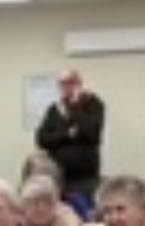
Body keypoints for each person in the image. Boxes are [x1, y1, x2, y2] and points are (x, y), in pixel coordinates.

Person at [35, 69, 106, 202]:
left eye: (71, 83)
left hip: (85, 177)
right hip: (59, 176)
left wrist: (76, 106)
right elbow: (42, 138)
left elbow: (91, 133)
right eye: (63, 84)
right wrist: (67, 134)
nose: (67, 87)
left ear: (80, 84)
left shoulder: (94, 104)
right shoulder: (55, 109)